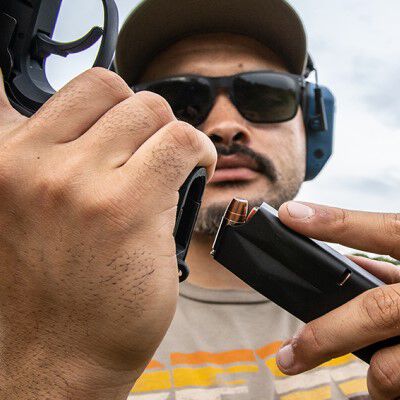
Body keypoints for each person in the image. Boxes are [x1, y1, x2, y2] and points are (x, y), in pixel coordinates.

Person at [0, 2, 399, 400]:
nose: (225, 127)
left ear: (312, 125)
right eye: (179, 101)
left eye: (265, 96)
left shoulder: (383, 311)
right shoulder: (33, 315)